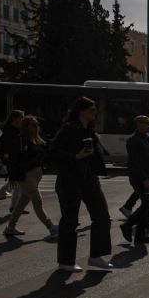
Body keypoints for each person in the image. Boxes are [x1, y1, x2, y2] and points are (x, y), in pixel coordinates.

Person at [48, 97, 113, 272]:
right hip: (70, 179)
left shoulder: (89, 130)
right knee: (70, 220)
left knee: (102, 216)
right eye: (92, 109)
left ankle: (96, 256)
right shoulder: (69, 129)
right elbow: (52, 152)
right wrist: (75, 157)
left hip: (89, 178)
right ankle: (66, 261)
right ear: (81, 111)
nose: (95, 112)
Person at [3, 115, 58, 237]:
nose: (36, 126)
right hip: (25, 174)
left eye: (37, 124)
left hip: (37, 173)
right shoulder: (20, 140)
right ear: (26, 127)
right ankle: (50, 226)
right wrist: (11, 176)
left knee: (22, 202)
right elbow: (13, 158)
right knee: (37, 200)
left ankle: (11, 226)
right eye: (33, 124)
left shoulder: (38, 141)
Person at [119, 115, 149, 245]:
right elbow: (134, 162)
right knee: (147, 204)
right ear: (138, 124)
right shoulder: (134, 139)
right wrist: (144, 179)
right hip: (140, 178)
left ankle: (140, 235)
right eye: (147, 123)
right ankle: (128, 225)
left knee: (147, 206)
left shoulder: (145, 139)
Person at [0, 110, 24, 214]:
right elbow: (2, 145)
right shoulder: (5, 129)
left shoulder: (19, 130)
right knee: (15, 181)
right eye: (21, 117)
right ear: (14, 118)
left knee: (17, 183)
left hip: (18, 157)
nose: (22, 119)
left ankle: (14, 206)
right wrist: (3, 154)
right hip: (9, 158)